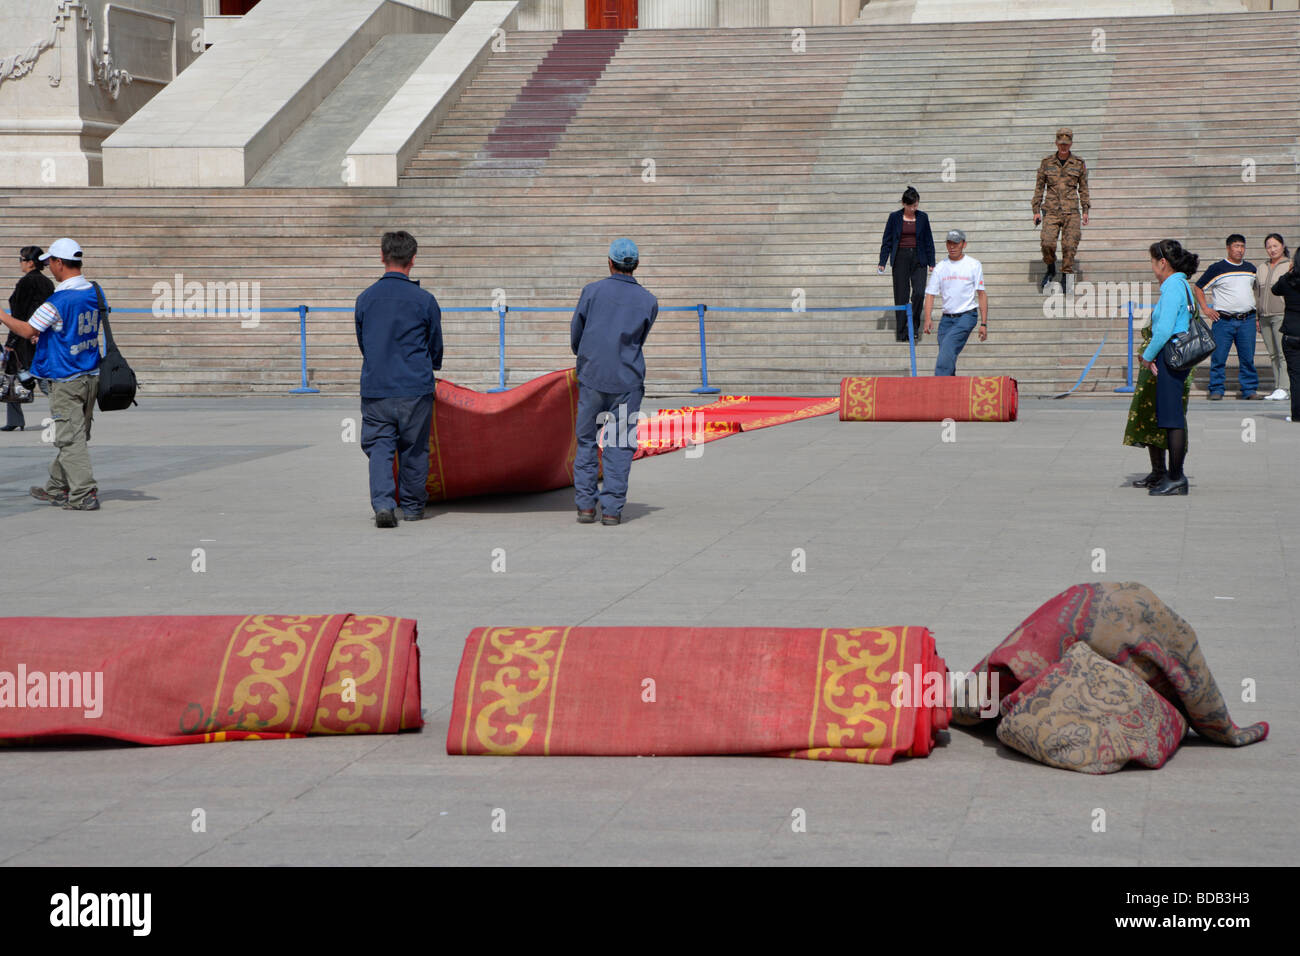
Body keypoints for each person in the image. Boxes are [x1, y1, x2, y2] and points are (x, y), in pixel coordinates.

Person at [0, 238, 103, 510]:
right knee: (76, 434)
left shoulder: (57, 301)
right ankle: (57, 488)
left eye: (50, 263)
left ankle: (83, 494)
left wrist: (1, 314)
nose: (49, 268)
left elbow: (27, 330)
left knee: (70, 438)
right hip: (90, 374)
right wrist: (47, 338)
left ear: (59, 262)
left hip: (65, 377)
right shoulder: (94, 291)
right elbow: (70, 329)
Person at [354, 230, 443, 529]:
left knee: (380, 447)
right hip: (414, 388)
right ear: (413, 260)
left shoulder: (365, 299)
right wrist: (432, 366)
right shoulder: (424, 300)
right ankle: (414, 507)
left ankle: (383, 505)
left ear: (382, 256)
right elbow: (435, 344)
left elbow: (363, 343)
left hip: (377, 387)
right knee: (414, 448)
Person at [571, 238, 658, 526]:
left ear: (609, 262)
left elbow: (577, 332)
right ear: (636, 265)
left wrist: (584, 358)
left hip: (593, 376)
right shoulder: (648, 300)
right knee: (620, 444)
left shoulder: (592, 292)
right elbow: (639, 339)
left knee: (586, 441)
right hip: (627, 379)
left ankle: (585, 507)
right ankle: (611, 510)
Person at [1140, 239, 1200, 496]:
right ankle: (1175, 476)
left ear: (1163, 263)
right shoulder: (1183, 284)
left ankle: (1176, 477)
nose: (1153, 268)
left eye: (1153, 263)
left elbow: (1164, 329)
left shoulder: (1172, 287)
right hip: (1178, 356)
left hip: (1170, 356)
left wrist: (1147, 355)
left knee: (1172, 419)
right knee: (1172, 417)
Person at [1123, 302, 1192, 488]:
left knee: (1171, 420)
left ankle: (1174, 473)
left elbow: (1165, 333)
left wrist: (1148, 354)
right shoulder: (1170, 294)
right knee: (1151, 420)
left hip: (1170, 364)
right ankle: (1158, 471)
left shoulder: (1177, 292)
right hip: (1153, 367)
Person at [1195, 234, 1260, 400]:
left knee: (1247, 357)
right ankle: (1216, 388)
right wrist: (1205, 308)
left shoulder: (1251, 269)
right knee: (1219, 357)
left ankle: (1249, 389)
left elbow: (1257, 292)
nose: (1240, 250)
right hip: (1223, 321)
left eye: (1242, 246)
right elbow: (1198, 287)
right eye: (1236, 246)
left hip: (1247, 320)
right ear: (1228, 248)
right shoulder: (1218, 268)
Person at [1032, 127, 1090, 292]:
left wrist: (1085, 210)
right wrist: (1036, 210)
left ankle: (1066, 274)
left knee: (1069, 245)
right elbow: (1039, 188)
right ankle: (1050, 267)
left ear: (1071, 143)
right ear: (1056, 143)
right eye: (1061, 143)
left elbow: (1083, 189)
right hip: (1051, 210)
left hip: (1071, 211)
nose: (1064, 146)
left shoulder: (1078, 164)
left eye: (1067, 143)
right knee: (1047, 243)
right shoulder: (1047, 163)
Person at [922, 229, 986, 376]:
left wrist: (983, 323)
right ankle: (951, 391)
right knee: (947, 356)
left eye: (956, 243)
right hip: (946, 319)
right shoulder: (940, 267)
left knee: (946, 353)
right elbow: (930, 294)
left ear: (964, 244)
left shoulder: (973, 265)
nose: (952, 247)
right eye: (949, 243)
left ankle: (938, 388)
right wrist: (927, 318)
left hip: (966, 316)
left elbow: (981, 294)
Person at [3, 246, 54, 431]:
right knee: (43, 377)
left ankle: (15, 420)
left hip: (24, 336)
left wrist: (11, 342)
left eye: (21, 259)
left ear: (30, 262)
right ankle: (63, 413)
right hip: (42, 335)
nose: (20, 263)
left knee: (14, 379)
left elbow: (19, 314)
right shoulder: (48, 283)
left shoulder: (26, 283)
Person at [877, 186, 935, 342]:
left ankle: (914, 327)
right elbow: (887, 240)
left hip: (919, 257)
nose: (914, 208)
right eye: (911, 206)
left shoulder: (923, 217)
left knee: (919, 293)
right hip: (900, 258)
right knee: (901, 295)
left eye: (916, 205)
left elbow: (928, 240)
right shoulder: (894, 217)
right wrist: (882, 261)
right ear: (904, 204)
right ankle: (902, 331)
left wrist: (932, 261)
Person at [1255, 233, 1290, 401]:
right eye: (1269, 247)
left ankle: (1285, 387)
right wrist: (1257, 316)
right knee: (1273, 354)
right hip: (1264, 316)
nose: (1272, 249)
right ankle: (1278, 386)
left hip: (1282, 315)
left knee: (1283, 352)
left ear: (1282, 246)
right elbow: (1257, 293)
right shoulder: (1261, 267)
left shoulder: (1290, 265)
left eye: (1275, 246)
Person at [1269, 254, 1300, 424]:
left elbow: (1275, 289)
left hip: (1291, 334)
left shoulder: (1288, 280)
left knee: (1295, 377)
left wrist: (1290, 272)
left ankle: (1297, 414)